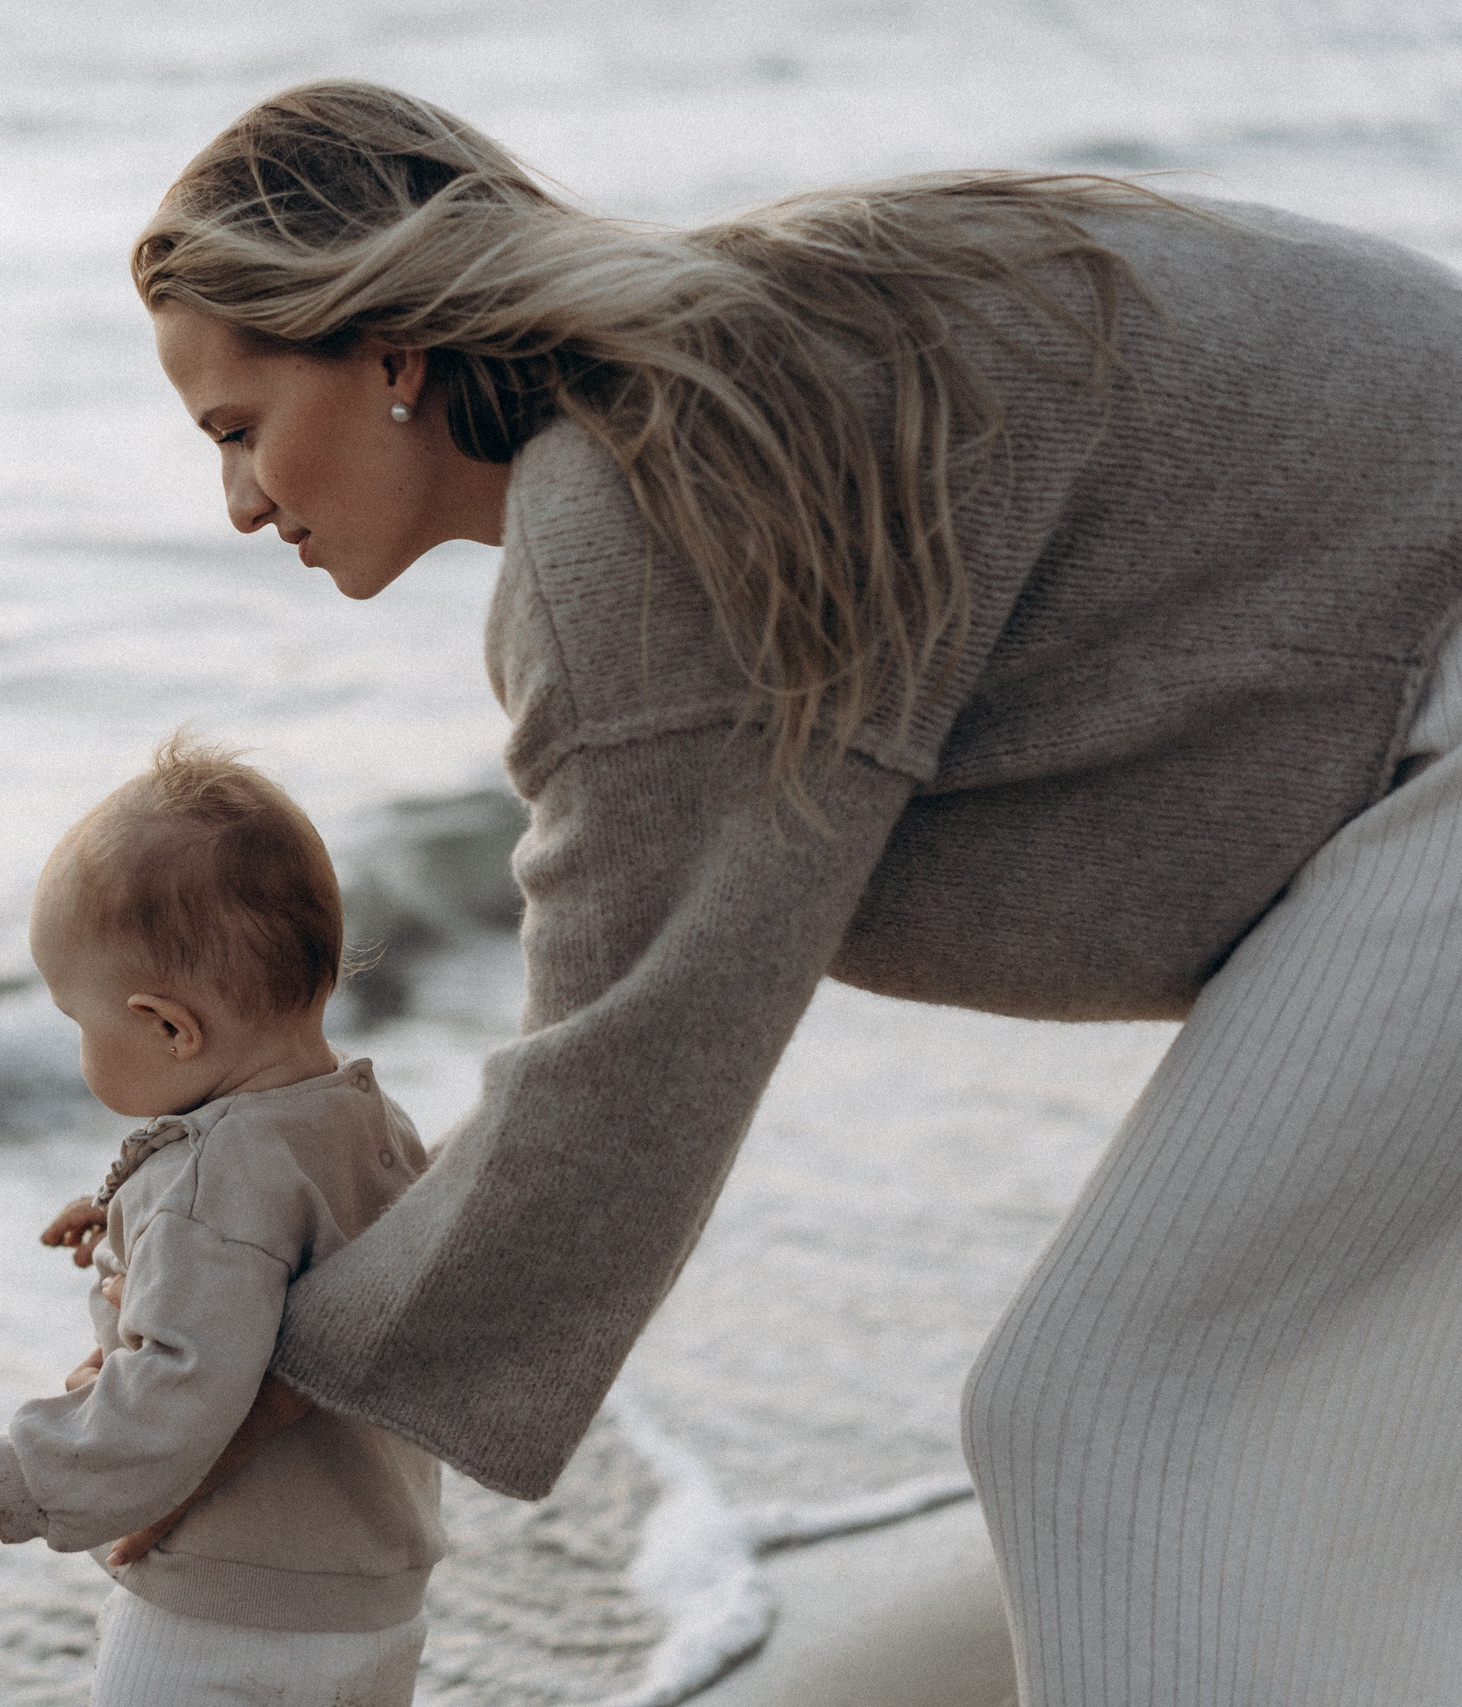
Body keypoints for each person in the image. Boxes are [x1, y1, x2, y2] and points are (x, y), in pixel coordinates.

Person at [120, 79, 1462, 1706]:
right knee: (1322, 1423)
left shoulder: (637, 508)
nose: (241, 504)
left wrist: (285, 1360)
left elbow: (629, 1072)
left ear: (390, 352)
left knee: (1093, 1409)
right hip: (1411, 726)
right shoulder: (718, 384)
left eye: (238, 429)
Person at [0, 735, 445, 1707]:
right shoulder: (369, 1124)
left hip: (231, 1616)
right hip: (372, 1596)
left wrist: (5, 1476)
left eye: (79, 1022)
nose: (79, 1049)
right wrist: (133, 1216)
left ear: (169, 1027)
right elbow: (284, 1282)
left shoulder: (216, 1182)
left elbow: (178, 1392)